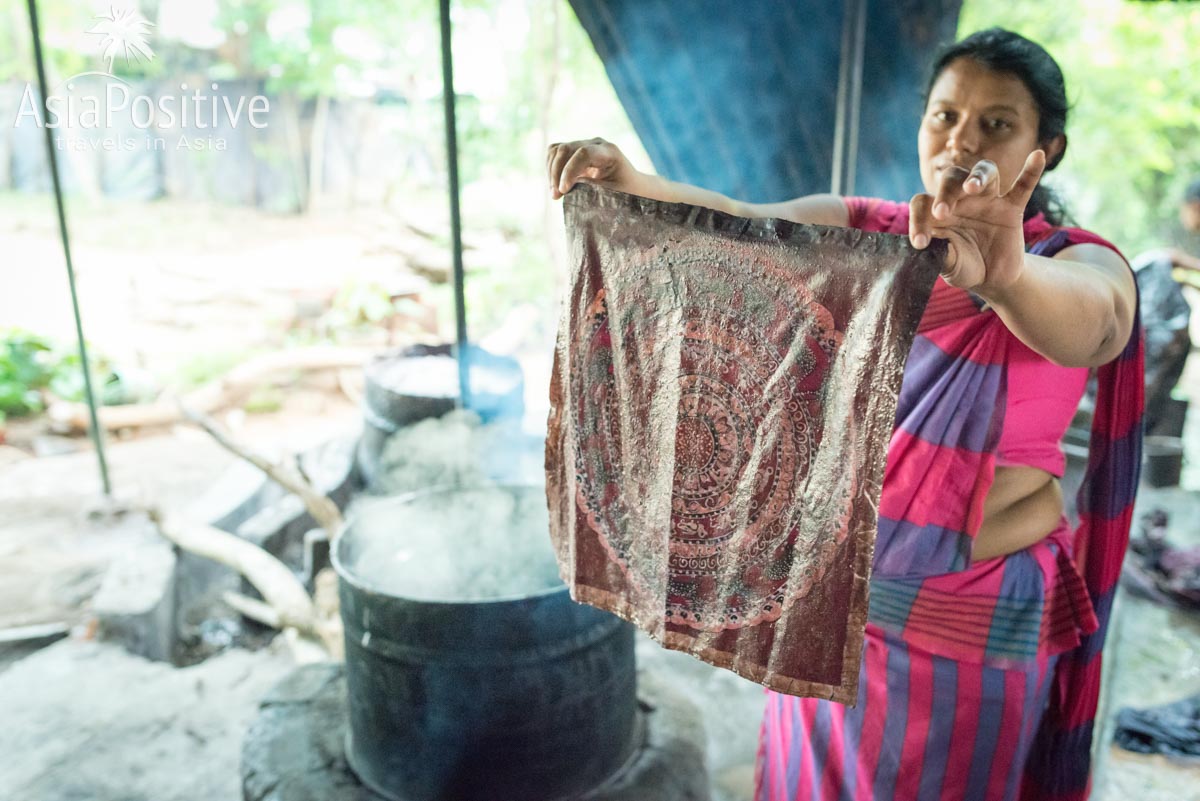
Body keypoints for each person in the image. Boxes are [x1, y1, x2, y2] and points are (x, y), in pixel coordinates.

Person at [547, 27, 1143, 801]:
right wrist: (635, 182)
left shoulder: (1071, 260)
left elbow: (1097, 321)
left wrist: (1005, 280)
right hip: (829, 613)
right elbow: (738, 224)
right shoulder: (870, 235)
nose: (962, 138)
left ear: (1046, 149)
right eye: (945, 114)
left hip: (971, 631)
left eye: (997, 122)